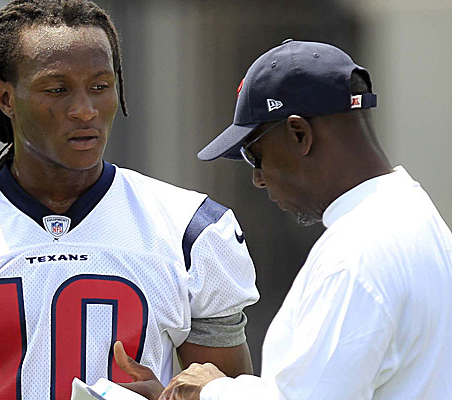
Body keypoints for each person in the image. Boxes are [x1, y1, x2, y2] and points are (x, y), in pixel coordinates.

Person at [0, 1, 260, 399]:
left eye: (100, 87)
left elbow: (222, 395)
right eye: (57, 89)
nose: (85, 110)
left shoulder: (191, 230)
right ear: (5, 98)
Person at [117, 39, 452, 399]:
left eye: (255, 155)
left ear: (299, 134)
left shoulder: (355, 254)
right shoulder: (417, 218)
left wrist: (212, 391)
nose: (258, 178)